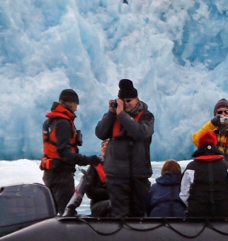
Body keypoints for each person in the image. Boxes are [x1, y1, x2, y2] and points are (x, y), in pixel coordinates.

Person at [94, 79, 155, 217]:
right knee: (119, 214)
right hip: (116, 176)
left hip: (139, 174)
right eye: (123, 101)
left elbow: (140, 133)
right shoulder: (112, 116)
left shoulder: (147, 116)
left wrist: (121, 115)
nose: (126, 104)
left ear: (136, 100)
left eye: (129, 101)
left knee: (140, 213)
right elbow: (100, 133)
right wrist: (111, 113)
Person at [41, 88, 101, 214]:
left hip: (49, 174)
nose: (76, 108)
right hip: (61, 176)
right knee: (67, 211)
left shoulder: (49, 122)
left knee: (52, 211)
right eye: (76, 104)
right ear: (71, 103)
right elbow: (64, 153)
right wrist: (88, 160)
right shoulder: (63, 123)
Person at [181, 131, 228, 218]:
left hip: (197, 214)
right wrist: (226, 204)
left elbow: (183, 193)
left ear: (199, 146)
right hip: (222, 212)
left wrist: (192, 205)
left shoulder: (191, 168)